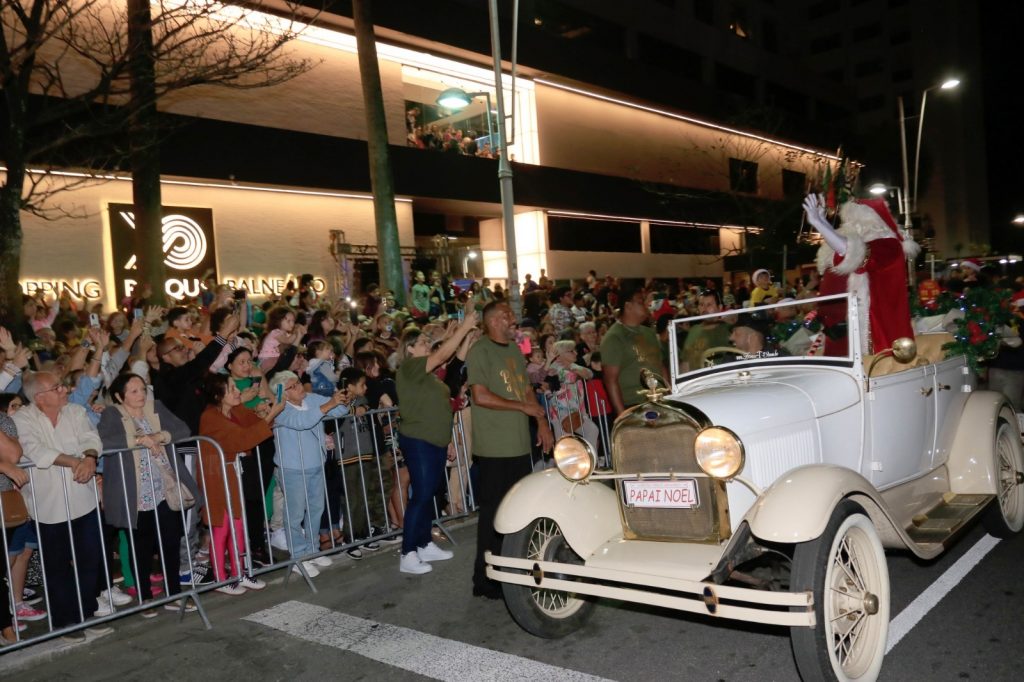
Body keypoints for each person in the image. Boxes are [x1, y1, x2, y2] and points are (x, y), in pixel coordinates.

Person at [12, 372, 113, 641]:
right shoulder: (22, 419)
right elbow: (35, 450)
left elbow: (90, 437)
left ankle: (84, 614)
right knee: (57, 567)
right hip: (48, 506)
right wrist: (74, 462)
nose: (65, 390)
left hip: (84, 500)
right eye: (57, 388)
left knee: (90, 560)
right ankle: (64, 622)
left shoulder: (75, 412)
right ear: (39, 397)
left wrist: (89, 458)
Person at [466, 302, 553, 599]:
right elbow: (479, 395)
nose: (513, 319)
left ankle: (511, 571)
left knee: (516, 512)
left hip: (518, 444)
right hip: (494, 446)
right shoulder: (480, 351)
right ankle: (485, 579)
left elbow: (526, 389)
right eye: (507, 315)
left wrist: (541, 421)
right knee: (493, 514)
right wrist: (521, 407)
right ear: (492, 321)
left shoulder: (514, 349)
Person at [97, 373, 198, 615]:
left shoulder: (156, 407)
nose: (141, 394)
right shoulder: (112, 414)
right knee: (140, 547)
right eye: (133, 391)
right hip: (134, 494)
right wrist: (139, 440)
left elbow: (182, 429)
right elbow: (104, 441)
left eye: (142, 389)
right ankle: (144, 598)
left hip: (164, 490)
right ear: (119, 396)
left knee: (170, 543)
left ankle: (174, 594)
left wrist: (158, 436)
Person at [395, 307, 479, 575]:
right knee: (421, 494)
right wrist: (464, 327)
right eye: (421, 342)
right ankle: (408, 553)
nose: (427, 344)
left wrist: (448, 439)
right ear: (410, 348)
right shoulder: (410, 367)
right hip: (418, 439)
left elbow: (448, 367)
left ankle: (423, 543)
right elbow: (442, 354)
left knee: (429, 492)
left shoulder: (427, 375)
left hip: (436, 440)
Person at [803, 194, 919, 355]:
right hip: (839, 332)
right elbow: (846, 246)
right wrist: (823, 222)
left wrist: (819, 224)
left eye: (854, 220)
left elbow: (851, 252)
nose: (848, 225)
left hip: (874, 335)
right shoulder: (859, 241)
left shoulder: (888, 246)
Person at [198, 374, 283, 594]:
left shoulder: (235, 410)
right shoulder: (210, 417)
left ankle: (240, 572)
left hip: (233, 474)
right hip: (216, 476)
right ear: (218, 395)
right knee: (222, 527)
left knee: (238, 525)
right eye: (232, 388)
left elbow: (254, 426)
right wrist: (271, 413)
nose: (238, 392)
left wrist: (264, 413)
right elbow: (242, 438)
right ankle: (220, 579)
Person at [267, 371, 349, 579]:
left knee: (316, 509)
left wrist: (343, 399)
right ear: (284, 393)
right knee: (294, 514)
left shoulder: (311, 399)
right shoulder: (280, 409)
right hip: (292, 468)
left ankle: (312, 550)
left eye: (298, 383)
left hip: (316, 464)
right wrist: (329, 405)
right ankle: (298, 556)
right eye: (293, 386)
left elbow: (340, 411)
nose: (299, 387)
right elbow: (302, 421)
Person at [599, 287, 666, 415]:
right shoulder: (615, 337)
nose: (646, 305)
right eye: (641, 302)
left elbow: (661, 366)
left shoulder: (649, 333)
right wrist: (622, 415)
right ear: (628, 306)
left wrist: (670, 395)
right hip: (635, 405)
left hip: (660, 399)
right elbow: (610, 380)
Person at [681, 290, 732, 371]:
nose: (704, 309)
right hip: (696, 378)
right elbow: (686, 362)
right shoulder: (694, 330)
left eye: (709, 305)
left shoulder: (729, 329)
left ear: (719, 307)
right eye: (701, 305)